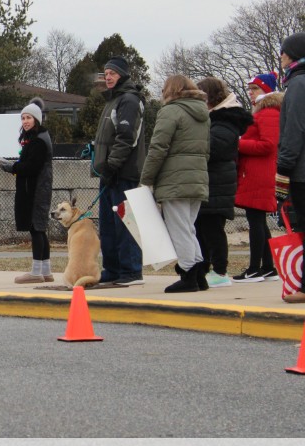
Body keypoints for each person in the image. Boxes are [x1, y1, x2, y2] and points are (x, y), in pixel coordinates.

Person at [140, 75, 210, 293]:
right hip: (197, 177)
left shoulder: (170, 111)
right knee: (188, 227)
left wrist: (146, 179)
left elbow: (158, 147)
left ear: (171, 90)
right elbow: (206, 149)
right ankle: (199, 274)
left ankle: (188, 274)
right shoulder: (203, 113)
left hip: (174, 179)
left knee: (179, 229)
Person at [193, 77, 253, 288]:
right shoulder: (213, 119)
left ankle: (220, 271)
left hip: (218, 182)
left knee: (213, 229)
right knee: (201, 227)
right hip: (209, 181)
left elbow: (217, 148)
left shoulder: (226, 119)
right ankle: (203, 268)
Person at [92, 57, 147, 285]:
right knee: (108, 225)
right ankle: (112, 268)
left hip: (123, 173)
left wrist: (112, 165)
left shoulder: (130, 100)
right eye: (105, 74)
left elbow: (126, 137)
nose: (108, 77)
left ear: (123, 75)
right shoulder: (113, 100)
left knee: (125, 224)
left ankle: (131, 271)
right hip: (109, 173)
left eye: (112, 73)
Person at [233, 72, 282, 283]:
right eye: (250, 89)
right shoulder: (263, 112)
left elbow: (269, 145)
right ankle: (268, 267)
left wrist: (238, 143)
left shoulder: (268, 112)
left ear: (266, 90)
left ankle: (254, 268)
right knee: (258, 221)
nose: (250, 93)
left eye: (255, 89)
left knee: (256, 222)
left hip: (259, 173)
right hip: (256, 172)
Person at [0, 98, 53, 283]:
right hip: (39, 189)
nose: (25, 121)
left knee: (36, 229)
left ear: (36, 119)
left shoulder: (38, 141)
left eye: (29, 118)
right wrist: (15, 166)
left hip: (35, 191)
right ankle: (46, 271)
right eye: (23, 118)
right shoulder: (38, 138)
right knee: (40, 229)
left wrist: (12, 167)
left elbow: (32, 167)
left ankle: (36, 273)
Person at [276, 31, 305, 303]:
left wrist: (283, 167)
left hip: (301, 170)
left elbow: (294, 130)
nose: (281, 56)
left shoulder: (297, 84)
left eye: (285, 51)